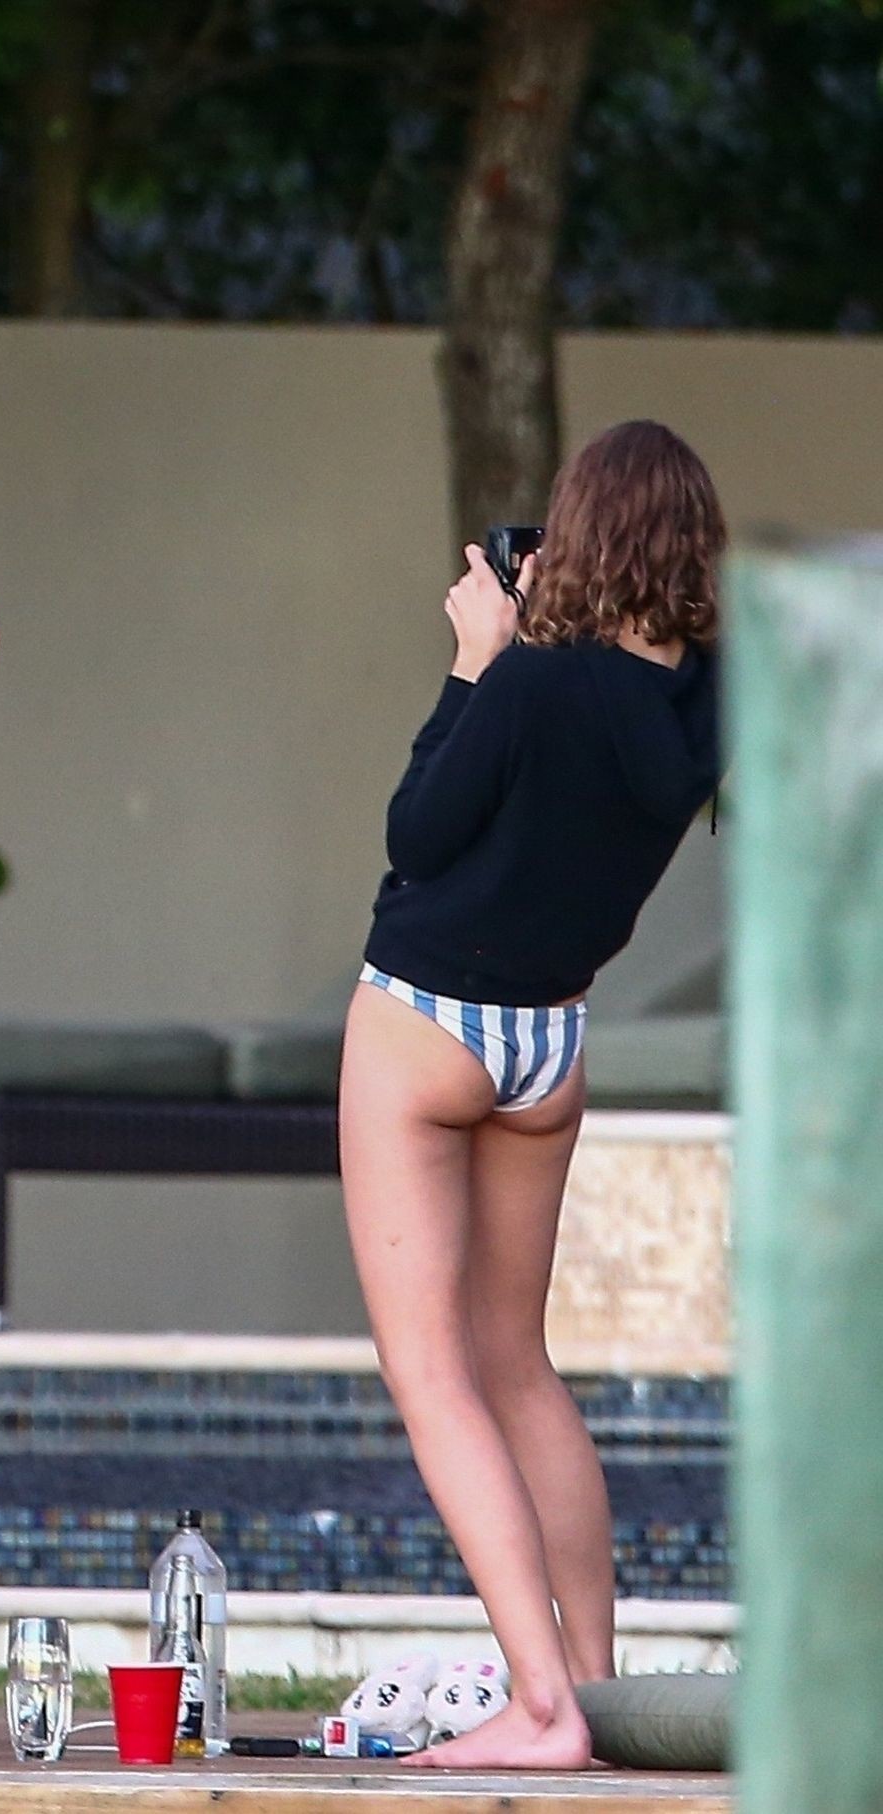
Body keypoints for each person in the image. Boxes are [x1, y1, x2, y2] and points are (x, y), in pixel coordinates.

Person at [338, 419, 725, 1771]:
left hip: (425, 1021)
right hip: (549, 1045)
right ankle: (597, 1693)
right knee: (517, 1362)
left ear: (584, 531)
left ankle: (544, 1705)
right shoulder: (705, 701)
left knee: (434, 1370)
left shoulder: (534, 682)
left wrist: (474, 662)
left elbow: (418, 831)